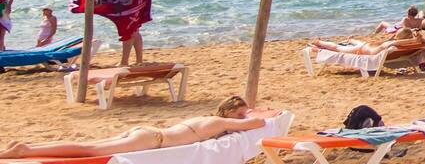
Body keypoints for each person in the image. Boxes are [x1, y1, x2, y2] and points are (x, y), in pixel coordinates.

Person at [0, 96, 265, 158]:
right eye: (239, 113)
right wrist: (250, 115)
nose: (242, 118)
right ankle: (25, 150)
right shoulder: (218, 121)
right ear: (230, 111)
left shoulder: (206, 119)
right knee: (91, 150)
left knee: (92, 146)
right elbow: (258, 122)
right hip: (153, 141)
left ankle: (28, 148)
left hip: (148, 132)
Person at [91, 0, 163, 66]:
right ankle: (139, 61)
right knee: (134, 30)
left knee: (128, 30)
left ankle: (124, 62)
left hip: (134, 0)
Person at [307, 29, 425, 56]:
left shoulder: (391, 45)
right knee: (338, 48)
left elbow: (390, 44)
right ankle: (350, 40)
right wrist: (414, 39)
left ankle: (319, 42)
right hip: (363, 48)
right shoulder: (401, 45)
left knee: (338, 48)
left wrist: (413, 39)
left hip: (362, 48)